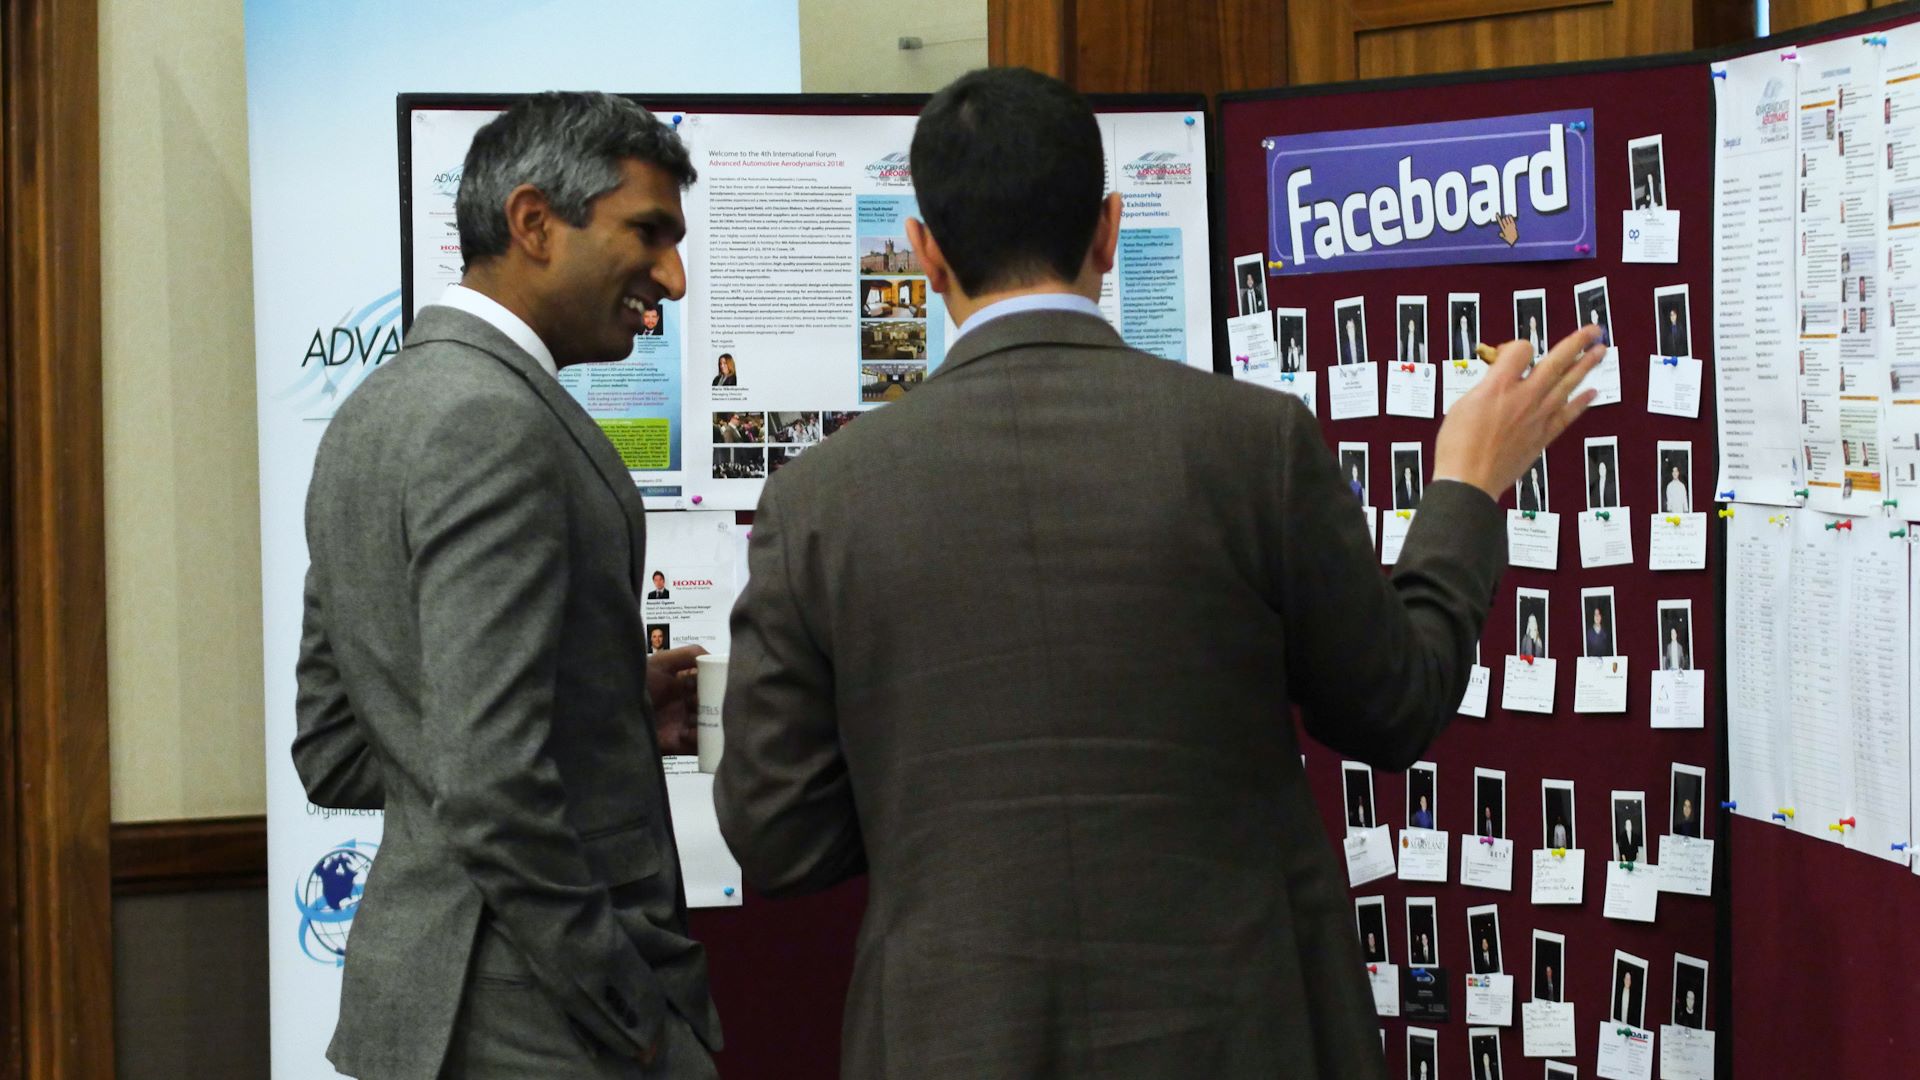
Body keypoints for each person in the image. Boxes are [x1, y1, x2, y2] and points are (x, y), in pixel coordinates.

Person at [714, 67, 1603, 1079]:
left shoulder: (818, 501)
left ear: (923, 252)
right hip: (1240, 1032)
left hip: (956, 1034)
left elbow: (778, 836)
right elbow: (1394, 708)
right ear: (1109, 229)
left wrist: (931, 805)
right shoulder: (1254, 443)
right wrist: (1467, 489)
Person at [292, 91, 720, 1078]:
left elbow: (340, 748)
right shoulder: (491, 421)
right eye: (648, 233)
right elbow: (487, 781)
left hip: (433, 1017)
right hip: (539, 1025)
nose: (673, 276)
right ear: (534, 221)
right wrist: (629, 1007)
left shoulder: (374, 411)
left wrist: (602, 710)